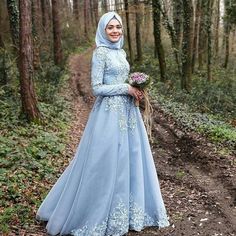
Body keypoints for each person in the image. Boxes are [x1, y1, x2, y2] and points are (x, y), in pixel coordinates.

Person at [36, 11, 170, 236]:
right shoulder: (100, 53)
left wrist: (136, 88)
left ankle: (129, 213)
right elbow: (97, 88)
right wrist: (125, 88)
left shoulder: (122, 52)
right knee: (105, 162)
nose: (115, 30)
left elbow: (119, 79)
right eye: (110, 27)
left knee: (131, 158)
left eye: (118, 27)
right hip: (107, 116)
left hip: (128, 113)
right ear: (103, 30)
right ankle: (92, 211)